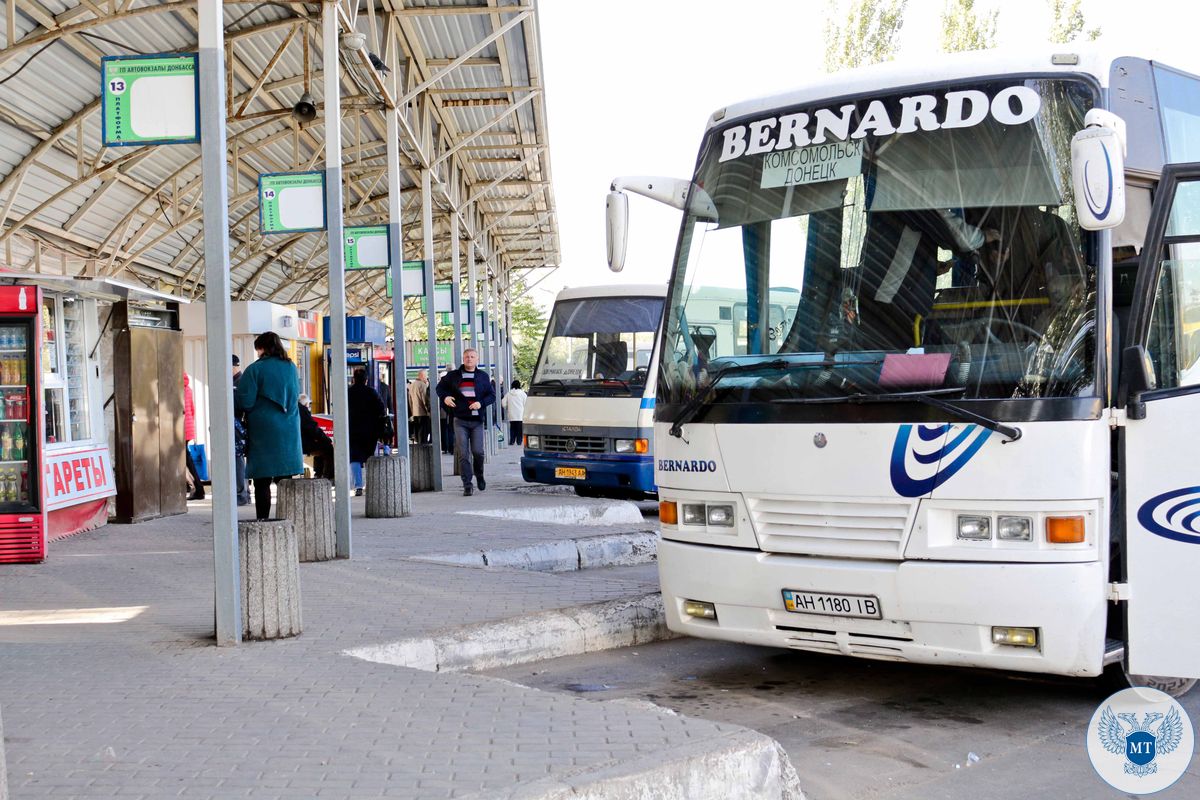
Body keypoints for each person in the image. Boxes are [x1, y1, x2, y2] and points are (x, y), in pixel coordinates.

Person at [235, 331, 303, 521]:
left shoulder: (255, 369)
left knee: (262, 480)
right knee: (285, 480)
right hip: (289, 428)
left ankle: (263, 521)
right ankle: (286, 521)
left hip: (264, 430)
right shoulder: (291, 367)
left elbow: (245, 402)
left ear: (262, 348)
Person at [436, 349, 496, 496]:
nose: (469, 359)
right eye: (466, 357)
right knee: (463, 454)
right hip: (460, 419)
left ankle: (479, 474)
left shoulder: (483, 376)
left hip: (476, 421)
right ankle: (467, 484)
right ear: (463, 359)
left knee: (478, 452)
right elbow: (440, 388)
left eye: (472, 357)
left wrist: (480, 403)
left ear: (477, 359)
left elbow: (492, 396)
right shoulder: (453, 376)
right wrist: (445, 397)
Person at [347, 367, 385, 496]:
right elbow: (381, 409)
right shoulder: (371, 392)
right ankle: (372, 483)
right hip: (370, 431)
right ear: (366, 380)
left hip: (352, 430)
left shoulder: (348, 393)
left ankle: (358, 486)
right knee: (369, 457)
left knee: (355, 458)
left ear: (353, 379)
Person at [298, 393, 334, 480]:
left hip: (299, 441)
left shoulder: (295, 408)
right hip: (303, 443)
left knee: (320, 447)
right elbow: (313, 428)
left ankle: (318, 473)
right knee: (328, 448)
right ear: (306, 404)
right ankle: (327, 476)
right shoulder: (302, 411)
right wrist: (327, 439)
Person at [232, 354, 250, 506]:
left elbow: (240, 405)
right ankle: (244, 493)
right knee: (238, 459)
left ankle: (241, 493)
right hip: (237, 424)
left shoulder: (239, 382)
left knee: (238, 459)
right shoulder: (237, 381)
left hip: (237, 425)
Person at [183, 372, 204, 500]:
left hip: (180, 429)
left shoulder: (175, 389)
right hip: (188, 428)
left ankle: (197, 489)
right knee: (186, 459)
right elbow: (192, 410)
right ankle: (196, 488)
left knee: (186, 460)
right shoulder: (188, 389)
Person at [407, 369, 431, 444]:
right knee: (423, 434)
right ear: (422, 376)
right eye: (426, 375)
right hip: (423, 413)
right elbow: (425, 400)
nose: (426, 378)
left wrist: (412, 411)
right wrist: (429, 411)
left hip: (415, 412)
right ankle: (423, 452)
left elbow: (410, 400)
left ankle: (418, 450)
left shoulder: (412, 385)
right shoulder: (422, 385)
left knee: (417, 433)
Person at [502, 379, 527, 446]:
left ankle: (512, 441)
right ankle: (519, 441)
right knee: (519, 428)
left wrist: (507, 407)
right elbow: (526, 403)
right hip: (520, 414)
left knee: (512, 428)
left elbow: (503, 402)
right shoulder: (522, 393)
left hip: (511, 414)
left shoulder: (508, 393)